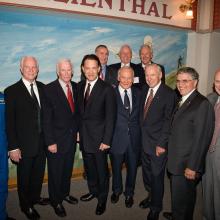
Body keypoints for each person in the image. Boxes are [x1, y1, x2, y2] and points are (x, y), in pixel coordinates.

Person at [167, 67, 214, 220]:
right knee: (179, 197)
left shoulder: (202, 104)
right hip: (177, 159)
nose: (180, 84)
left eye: (185, 81)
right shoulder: (183, 98)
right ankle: (177, 214)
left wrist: (193, 166)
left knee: (185, 199)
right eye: (179, 81)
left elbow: (202, 139)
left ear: (195, 82)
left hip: (187, 164)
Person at [4, 56, 49, 220]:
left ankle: (35, 198)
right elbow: (9, 123)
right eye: (27, 67)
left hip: (42, 143)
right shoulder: (11, 91)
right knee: (24, 177)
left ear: (38, 69)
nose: (31, 70)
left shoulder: (44, 88)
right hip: (23, 145)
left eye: (34, 67)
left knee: (38, 174)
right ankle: (25, 205)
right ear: (21, 69)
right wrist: (13, 147)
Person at [78, 54, 116, 215]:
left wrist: (106, 140)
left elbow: (111, 117)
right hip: (84, 139)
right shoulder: (79, 86)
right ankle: (93, 191)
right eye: (88, 68)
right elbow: (79, 114)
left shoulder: (106, 88)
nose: (91, 71)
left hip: (100, 140)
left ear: (99, 69)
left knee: (101, 171)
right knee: (90, 169)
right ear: (82, 69)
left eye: (94, 67)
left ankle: (102, 199)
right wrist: (78, 133)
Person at [139, 64, 176, 220]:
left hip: (157, 146)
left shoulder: (169, 94)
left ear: (160, 75)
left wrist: (161, 144)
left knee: (156, 177)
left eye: (152, 75)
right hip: (143, 143)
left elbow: (169, 122)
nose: (149, 78)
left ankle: (156, 206)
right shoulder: (144, 90)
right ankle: (150, 195)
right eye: (147, 75)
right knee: (147, 174)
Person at [42, 59, 78, 217]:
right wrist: (50, 142)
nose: (66, 73)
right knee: (55, 173)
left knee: (67, 170)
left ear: (72, 71)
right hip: (55, 141)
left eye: (69, 70)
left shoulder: (76, 87)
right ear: (58, 72)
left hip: (71, 139)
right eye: (63, 70)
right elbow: (46, 119)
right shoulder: (49, 89)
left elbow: (77, 114)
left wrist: (78, 132)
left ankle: (64, 194)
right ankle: (56, 201)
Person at [110, 66, 141, 208]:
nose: (126, 80)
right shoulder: (110, 94)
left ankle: (129, 193)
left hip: (134, 139)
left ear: (133, 79)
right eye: (123, 77)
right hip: (116, 139)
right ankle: (116, 190)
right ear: (118, 78)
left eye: (129, 77)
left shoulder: (139, 93)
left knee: (133, 169)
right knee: (116, 168)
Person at [202, 68, 220, 220]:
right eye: (218, 81)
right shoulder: (211, 99)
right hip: (208, 152)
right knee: (207, 187)